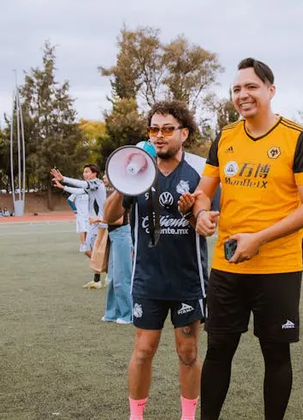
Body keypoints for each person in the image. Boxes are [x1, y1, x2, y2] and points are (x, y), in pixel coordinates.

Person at [191, 58, 303, 420]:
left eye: (251, 87)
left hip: (278, 267)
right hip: (228, 265)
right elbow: (203, 193)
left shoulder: (297, 137)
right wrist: (201, 214)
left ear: (270, 90)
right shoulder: (225, 137)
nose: (242, 95)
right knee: (218, 350)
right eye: (236, 89)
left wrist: (259, 238)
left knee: (276, 354)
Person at [101, 100, 209, 420]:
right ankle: (136, 416)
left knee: (187, 351)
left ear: (183, 133)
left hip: (188, 280)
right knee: (143, 351)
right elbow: (110, 217)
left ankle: (187, 416)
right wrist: (124, 183)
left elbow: (206, 226)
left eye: (167, 129)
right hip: (147, 280)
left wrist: (190, 213)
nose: (159, 135)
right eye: (153, 129)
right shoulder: (138, 169)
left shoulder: (199, 171)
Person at [52, 164, 108, 289]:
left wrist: (64, 178)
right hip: (94, 223)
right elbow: (79, 191)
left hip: (100, 222)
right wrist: (63, 187)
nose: (84, 174)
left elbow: (81, 184)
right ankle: (101, 276)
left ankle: (104, 275)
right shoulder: (92, 186)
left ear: (94, 173)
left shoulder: (97, 183)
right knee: (87, 249)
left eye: (87, 172)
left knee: (94, 250)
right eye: (84, 172)